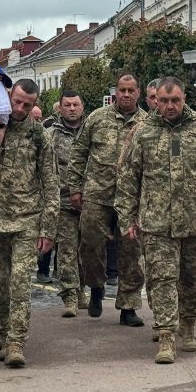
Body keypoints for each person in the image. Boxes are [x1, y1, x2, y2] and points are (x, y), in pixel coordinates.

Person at [117, 76, 196, 364]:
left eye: (175, 100)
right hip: (156, 223)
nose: (170, 106)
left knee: (191, 279)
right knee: (161, 280)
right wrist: (126, 217)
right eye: (164, 101)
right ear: (155, 100)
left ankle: (189, 324)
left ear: (184, 99)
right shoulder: (143, 133)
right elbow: (128, 177)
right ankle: (166, 336)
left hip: (195, 221)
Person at [0, 80, 58, 367]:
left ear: (35, 104)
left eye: (27, 104)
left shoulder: (39, 135)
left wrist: (48, 229)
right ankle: (2, 330)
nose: (20, 108)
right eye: (17, 102)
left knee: (20, 283)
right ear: (9, 96)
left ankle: (16, 342)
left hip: (26, 219)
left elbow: (51, 183)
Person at [64, 74, 147, 327]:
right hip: (97, 195)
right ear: (115, 92)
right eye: (122, 90)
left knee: (131, 252)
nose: (126, 94)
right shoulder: (97, 118)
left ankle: (128, 306)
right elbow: (78, 153)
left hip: (131, 199)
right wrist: (75, 188)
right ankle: (96, 287)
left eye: (130, 90)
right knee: (89, 244)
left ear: (138, 93)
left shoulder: (147, 123)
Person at [46, 90, 86, 317]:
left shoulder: (91, 131)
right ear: (60, 108)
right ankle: (70, 295)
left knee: (88, 250)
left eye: (75, 104)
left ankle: (83, 290)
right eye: (67, 105)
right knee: (67, 250)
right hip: (63, 202)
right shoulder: (51, 134)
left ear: (82, 107)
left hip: (90, 202)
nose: (72, 108)